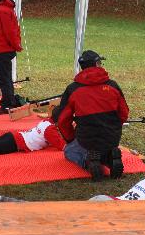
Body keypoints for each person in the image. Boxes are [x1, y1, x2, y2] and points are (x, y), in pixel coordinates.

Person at [52, 50, 129, 181]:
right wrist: (113, 126)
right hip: (112, 137)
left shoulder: (73, 89)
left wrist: (70, 138)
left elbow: (63, 120)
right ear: (97, 64)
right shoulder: (113, 85)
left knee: (69, 151)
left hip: (86, 138)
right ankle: (109, 158)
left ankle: (88, 161)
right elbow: (124, 112)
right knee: (103, 148)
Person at [0, 160, 145, 203]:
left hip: (105, 199)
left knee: (52, 215)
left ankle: (0, 200)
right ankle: (0, 201)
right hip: (110, 213)